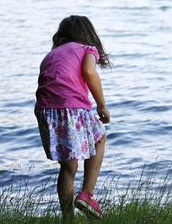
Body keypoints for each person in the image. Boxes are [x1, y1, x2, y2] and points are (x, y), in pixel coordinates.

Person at [34, 15, 111, 219]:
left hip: (45, 110)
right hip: (71, 107)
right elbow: (89, 71)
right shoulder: (87, 49)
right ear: (88, 34)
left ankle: (68, 218)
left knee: (69, 166)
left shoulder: (51, 54)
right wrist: (101, 105)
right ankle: (86, 194)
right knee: (99, 137)